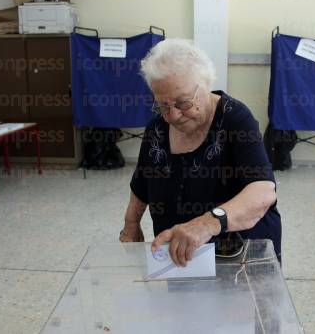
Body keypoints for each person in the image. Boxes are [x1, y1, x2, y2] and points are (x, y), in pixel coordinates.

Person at [119, 39, 282, 265]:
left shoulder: (235, 119)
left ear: (205, 84)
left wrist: (206, 224)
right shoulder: (157, 128)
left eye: (183, 103)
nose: (173, 115)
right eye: (163, 105)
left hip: (239, 259)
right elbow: (142, 182)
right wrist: (131, 224)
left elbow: (263, 192)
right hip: (181, 260)